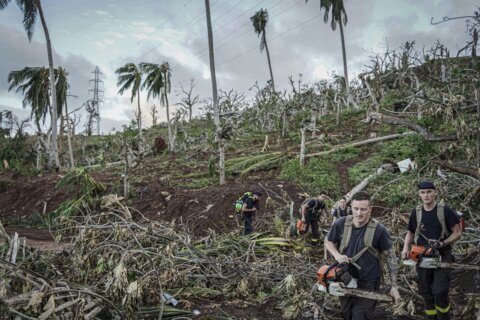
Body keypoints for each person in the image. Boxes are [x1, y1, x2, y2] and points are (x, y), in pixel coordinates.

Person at [325, 191, 400, 320]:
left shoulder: (379, 230)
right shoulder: (341, 223)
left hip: (368, 281)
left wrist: (394, 287)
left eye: (363, 209)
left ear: (370, 209)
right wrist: (337, 255)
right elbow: (328, 241)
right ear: (351, 208)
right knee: (347, 314)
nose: (359, 213)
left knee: (361, 316)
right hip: (345, 278)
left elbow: (391, 257)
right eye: (356, 209)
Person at [401, 181, 462, 320]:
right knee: (425, 291)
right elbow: (410, 233)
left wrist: (443, 243)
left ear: (435, 193)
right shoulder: (416, 212)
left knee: (440, 291)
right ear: (419, 195)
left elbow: (457, 232)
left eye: (429, 192)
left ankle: (444, 316)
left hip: (442, 254)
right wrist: (405, 248)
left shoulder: (444, 210)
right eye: (423, 192)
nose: (426, 195)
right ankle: (431, 317)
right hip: (420, 254)